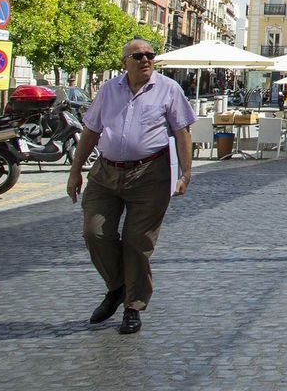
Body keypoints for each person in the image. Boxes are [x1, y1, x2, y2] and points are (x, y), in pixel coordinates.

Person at [68, 38, 195, 335]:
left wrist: (186, 174)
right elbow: (90, 131)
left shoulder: (169, 89)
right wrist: (75, 171)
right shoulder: (109, 90)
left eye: (150, 55)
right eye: (138, 56)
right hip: (106, 171)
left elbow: (182, 132)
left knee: (138, 244)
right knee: (94, 231)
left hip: (150, 174)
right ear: (124, 61)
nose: (145, 60)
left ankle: (132, 306)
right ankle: (117, 286)